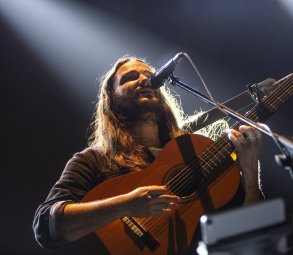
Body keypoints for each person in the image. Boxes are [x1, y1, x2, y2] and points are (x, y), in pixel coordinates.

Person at [33, 55, 263, 254]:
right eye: (130, 77)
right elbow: (45, 225)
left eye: (149, 75)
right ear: (111, 99)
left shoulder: (193, 152)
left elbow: (252, 233)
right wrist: (124, 204)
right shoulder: (93, 160)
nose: (144, 79)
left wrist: (251, 173)